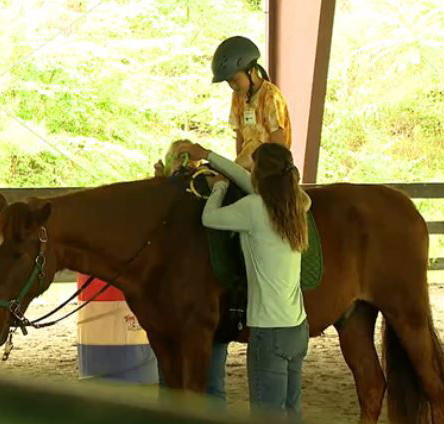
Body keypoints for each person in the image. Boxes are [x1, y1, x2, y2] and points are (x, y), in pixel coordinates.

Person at [177, 141, 310, 422]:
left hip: (269, 331)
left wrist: (219, 187)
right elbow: (254, 185)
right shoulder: (299, 204)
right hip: (297, 329)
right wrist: (210, 157)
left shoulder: (252, 208)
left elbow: (209, 217)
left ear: (260, 173)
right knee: (292, 412)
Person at [154, 139, 230, 404]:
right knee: (202, 385)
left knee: (206, 385)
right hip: (197, 306)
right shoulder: (205, 190)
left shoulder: (204, 188)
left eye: (184, 160)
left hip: (206, 307)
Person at [211, 36, 293, 170]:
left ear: (251, 71)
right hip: (248, 167)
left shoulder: (270, 95)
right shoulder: (237, 97)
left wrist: (279, 172)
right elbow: (240, 136)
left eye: (235, 80)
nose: (233, 86)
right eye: (229, 82)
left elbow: (278, 140)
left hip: (269, 167)